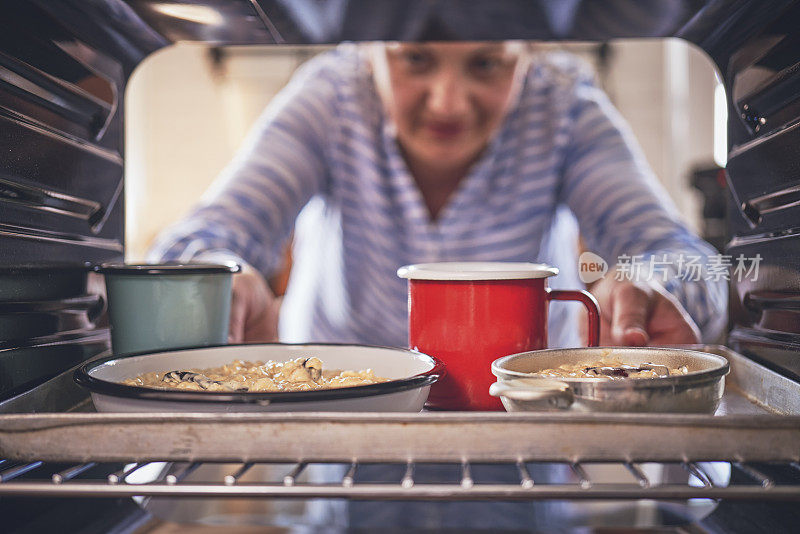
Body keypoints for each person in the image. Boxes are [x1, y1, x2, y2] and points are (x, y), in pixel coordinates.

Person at [150, 41, 726, 351]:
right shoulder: (329, 95)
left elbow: (680, 256)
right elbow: (197, 242)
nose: (448, 102)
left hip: (528, 456)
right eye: (416, 59)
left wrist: (654, 290)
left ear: (526, 52)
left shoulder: (565, 106)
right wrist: (217, 277)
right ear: (370, 46)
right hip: (333, 450)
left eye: (486, 64)